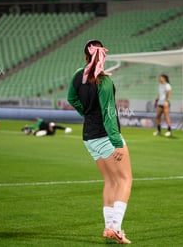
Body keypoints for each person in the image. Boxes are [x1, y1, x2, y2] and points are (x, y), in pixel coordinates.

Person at [67, 39, 133, 244]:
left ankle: (108, 227)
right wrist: (117, 142)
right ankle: (116, 228)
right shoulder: (104, 82)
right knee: (124, 180)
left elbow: (72, 99)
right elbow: (109, 114)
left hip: (89, 137)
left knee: (110, 181)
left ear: (85, 55)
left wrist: (85, 112)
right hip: (105, 137)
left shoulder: (79, 75)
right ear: (103, 56)